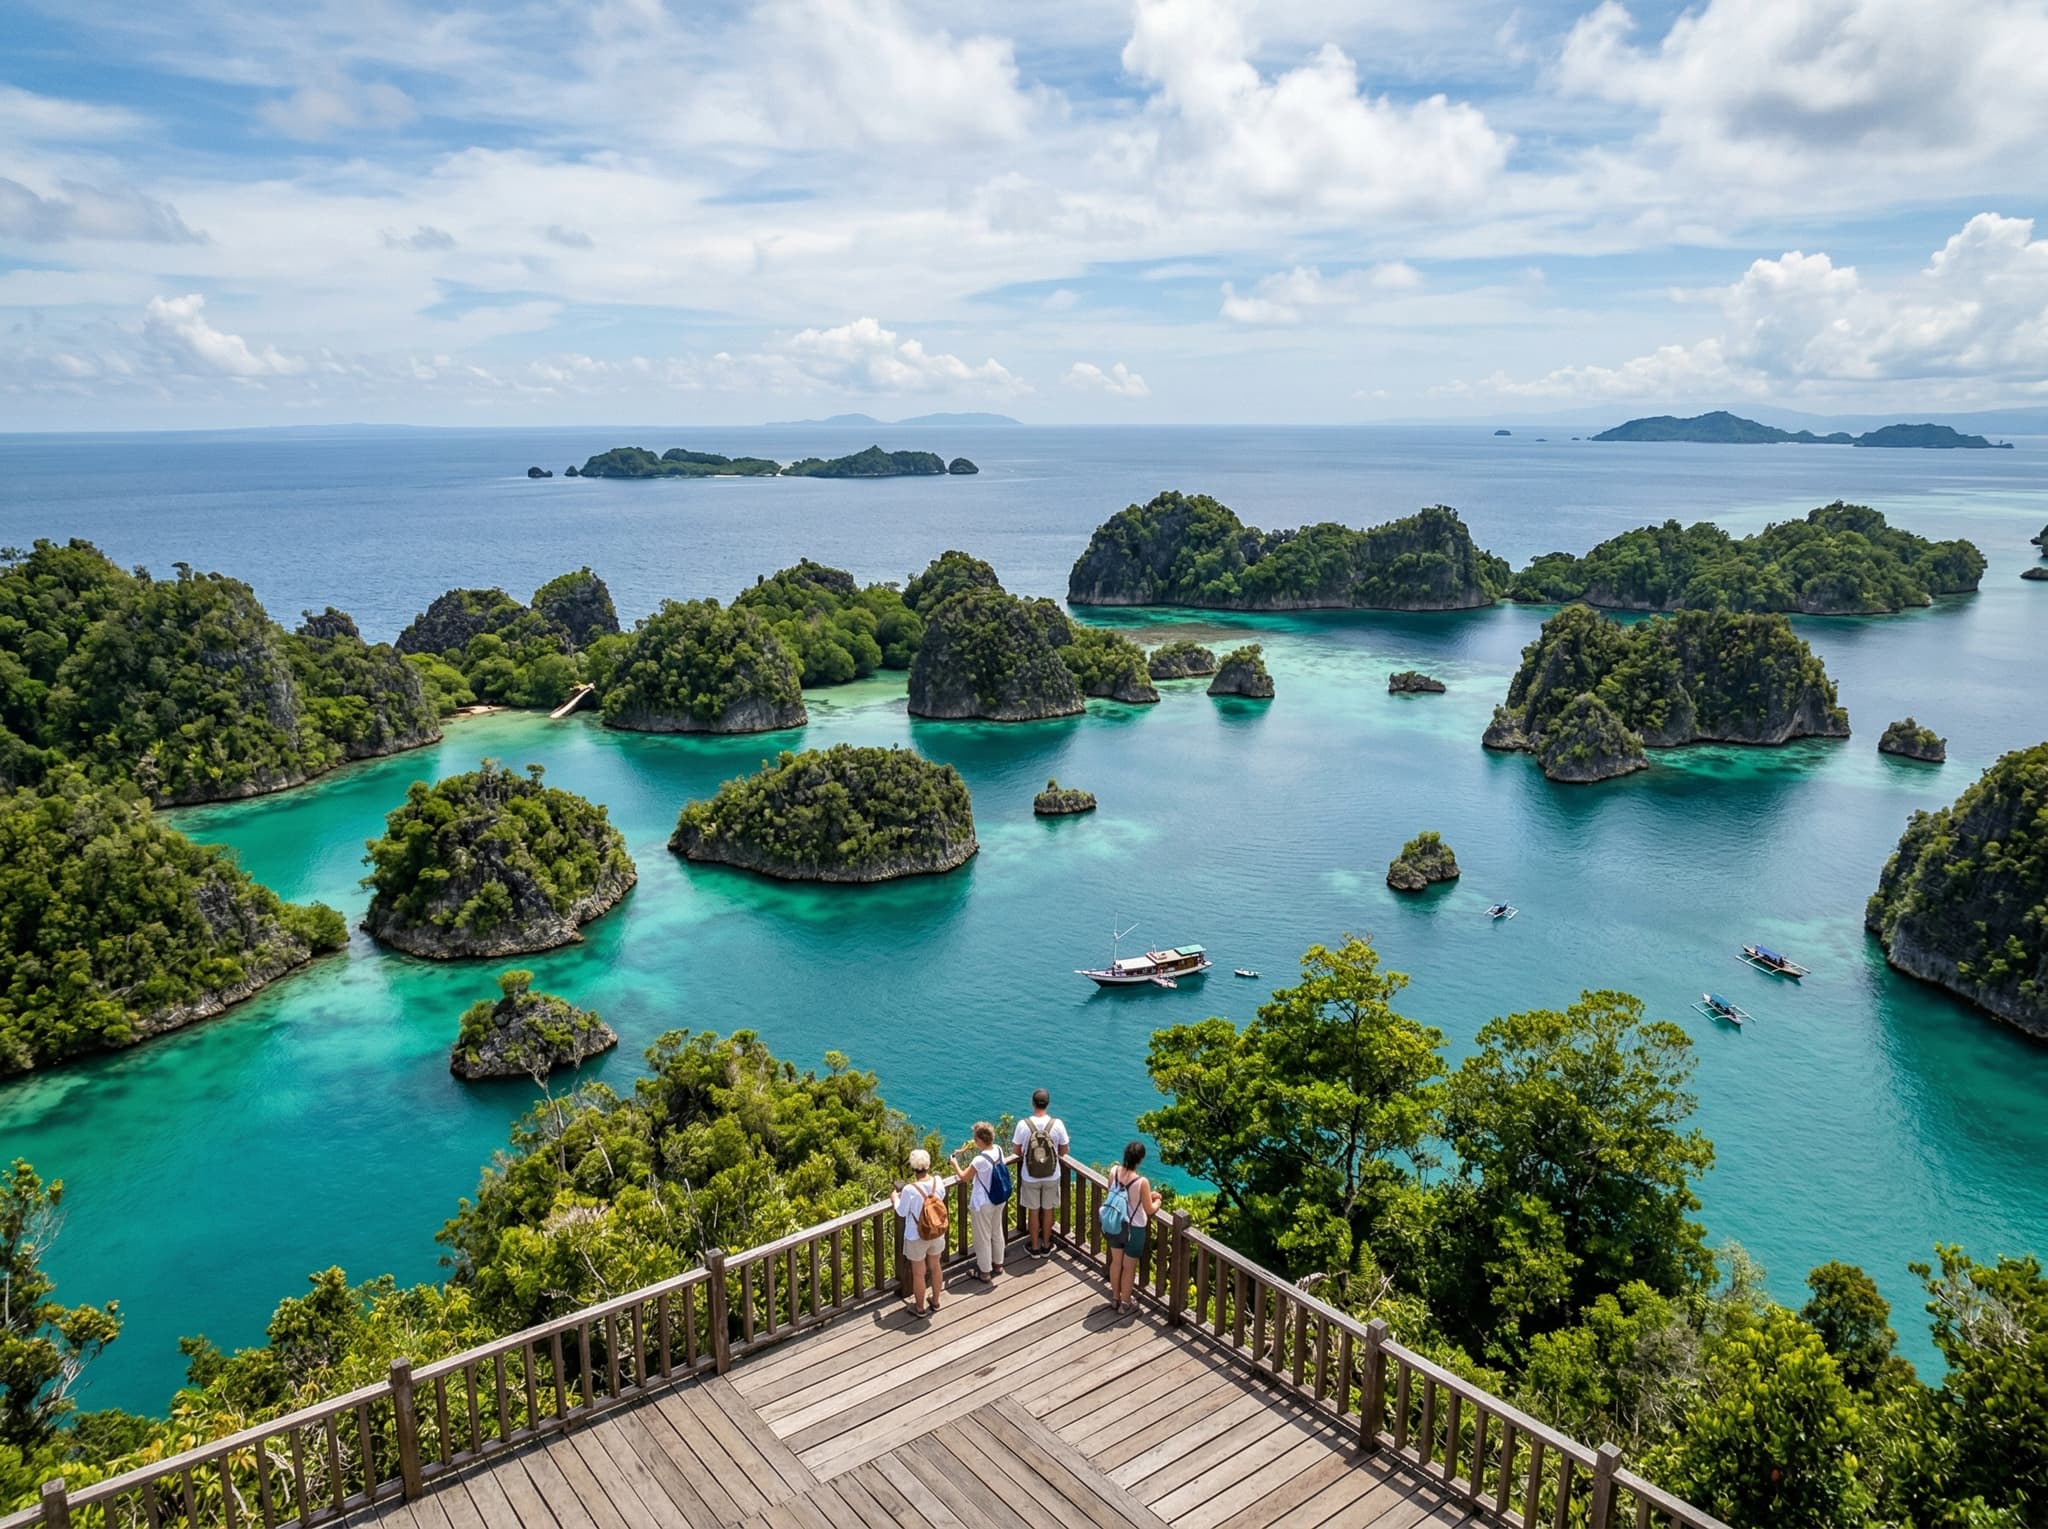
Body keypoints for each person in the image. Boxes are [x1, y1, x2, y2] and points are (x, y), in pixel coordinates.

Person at [1104, 1140, 1161, 1316]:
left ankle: (1115, 1298)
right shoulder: (1141, 1182)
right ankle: (1126, 1303)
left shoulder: (1114, 1171)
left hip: (1115, 1223)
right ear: (1140, 1159)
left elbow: (1113, 1192)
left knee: (1116, 1262)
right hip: (1134, 1229)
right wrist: (1157, 1200)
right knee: (1129, 1268)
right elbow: (1149, 1209)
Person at [1012, 1088, 1069, 1257]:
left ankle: (1035, 1247)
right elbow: (1064, 1150)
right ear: (1048, 1103)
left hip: (1030, 1175)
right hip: (1052, 1174)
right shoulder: (1057, 1124)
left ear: (1032, 1103)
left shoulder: (1023, 1124)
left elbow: (1016, 1151)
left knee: (1034, 1211)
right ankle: (1046, 1245)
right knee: (1048, 1210)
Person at [949, 1123, 1006, 1281]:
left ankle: (985, 1272)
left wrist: (955, 1164)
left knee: (982, 1237)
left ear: (980, 1139)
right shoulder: (999, 1150)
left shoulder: (979, 1160)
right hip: (999, 1198)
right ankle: (998, 1264)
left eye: (975, 1138)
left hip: (983, 1203)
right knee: (996, 1231)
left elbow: (964, 1177)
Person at [895, 1149, 947, 1316]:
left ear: (913, 1167)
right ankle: (936, 1301)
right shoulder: (938, 1182)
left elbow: (902, 1212)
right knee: (936, 1266)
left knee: (919, 1273)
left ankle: (919, 1307)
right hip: (936, 1231)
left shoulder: (910, 1190)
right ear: (928, 1165)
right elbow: (942, 1195)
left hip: (916, 1235)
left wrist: (894, 1198)